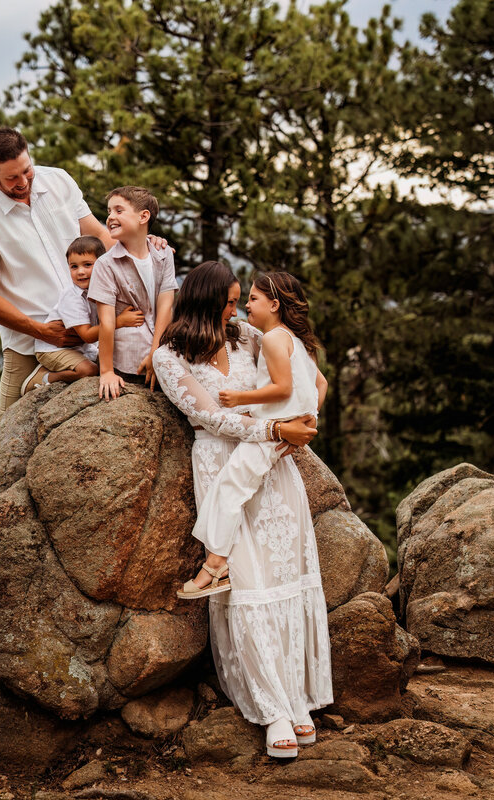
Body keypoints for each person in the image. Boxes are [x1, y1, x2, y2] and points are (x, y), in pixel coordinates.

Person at [151, 261, 333, 760]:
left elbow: (305, 377)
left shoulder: (249, 336)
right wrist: (274, 430)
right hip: (220, 461)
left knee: (285, 580)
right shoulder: (170, 356)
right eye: (229, 302)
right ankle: (272, 707)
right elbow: (205, 414)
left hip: (275, 471)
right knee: (248, 585)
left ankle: (298, 700)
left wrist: (301, 420)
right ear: (205, 302)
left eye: (240, 300)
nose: (236, 310)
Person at [0, 129, 113, 545]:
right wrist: (40, 330)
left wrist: (141, 243)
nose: (23, 182)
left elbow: (99, 237)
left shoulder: (59, 180)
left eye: (26, 170)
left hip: (87, 322)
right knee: (2, 422)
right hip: (31, 340)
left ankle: (44, 383)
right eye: (12, 177)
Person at [176, 272, 328, 600]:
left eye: (252, 299)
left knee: (227, 488)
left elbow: (283, 387)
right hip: (283, 428)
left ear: (275, 304)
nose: (245, 306)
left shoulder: (272, 339)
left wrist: (241, 399)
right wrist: (309, 419)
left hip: (269, 431)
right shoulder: (294, 340)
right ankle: (218, 565)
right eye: (238, 300)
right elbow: (321, 384)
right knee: (234, 487)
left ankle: (214, 567)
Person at [88, 186, 177, 400]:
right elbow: (107, 322)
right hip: (126, 359)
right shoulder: (105, 265)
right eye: (109, 211)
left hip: (161, 349)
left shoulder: (163, 254)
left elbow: (166, 307)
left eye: (119, 211)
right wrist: (107, 371)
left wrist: (157, 354)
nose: (110, 217)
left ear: (143, 216)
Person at [24, 236, 145, 391]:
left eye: (87, 265)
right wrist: (119, 321)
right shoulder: (72, 296)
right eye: (74, 267)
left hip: (81, 347)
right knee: (89, 371)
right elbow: (87, 335)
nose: (80, 272)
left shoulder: (104, 288)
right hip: (53, 349)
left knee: (109, 363)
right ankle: (44, 377)